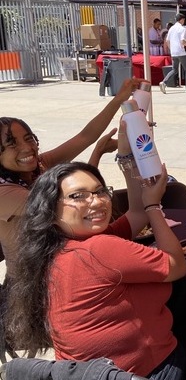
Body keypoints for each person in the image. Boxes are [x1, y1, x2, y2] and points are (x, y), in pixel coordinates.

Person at [5, 125, 186, 378]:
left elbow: (135, 213)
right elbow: (177, 266)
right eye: (78, 196)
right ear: (50, 210)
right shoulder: (99, 249)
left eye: (100, 191)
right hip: (149, 371)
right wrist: (154, 205)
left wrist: (126, 157)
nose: (97, 201)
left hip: (91, 372)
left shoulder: (55, 246)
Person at [0, 78, 143, 284]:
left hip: (61, 271)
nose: (26, 148)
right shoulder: (4, 193)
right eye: (12, 144)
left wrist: (119, 98)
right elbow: (72, 206)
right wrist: (101, 154)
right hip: (30, 286)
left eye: (29, 138)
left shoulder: (40, 164)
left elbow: (85, 136)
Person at [160, 13, 186, 94]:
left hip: (174, 52)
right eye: (184, 20)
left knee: (174, 70)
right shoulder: (182, 29)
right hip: (181, 52)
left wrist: (171, 49)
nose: (184, 21)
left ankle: (164, 82)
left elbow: (167, 41)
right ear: (181, 20)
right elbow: (182, 40)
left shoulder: (171, 29)